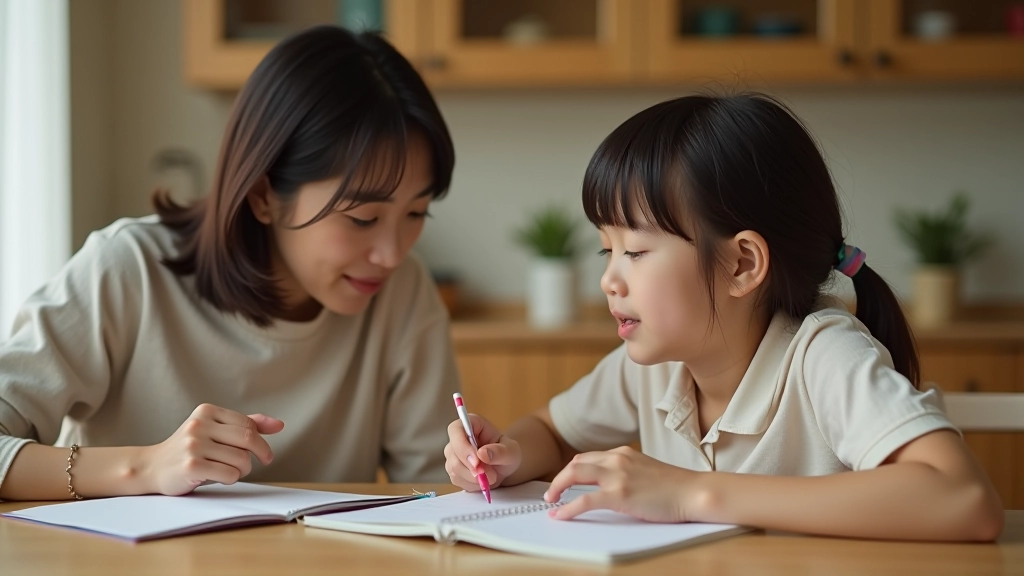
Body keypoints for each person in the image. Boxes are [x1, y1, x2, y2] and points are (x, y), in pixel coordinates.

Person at [444, 93, 1003, 541]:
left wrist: (692, 493)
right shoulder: (653, 366)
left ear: (741, 264)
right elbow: (551, 429)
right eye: (605, 251)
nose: (608, 280)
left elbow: (964, 500)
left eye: (635, 252)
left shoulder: (823, 354)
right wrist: (506, 455)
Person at [0, 25, 459, 501]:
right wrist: (146, 468)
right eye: (363, 218)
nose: (392, 253)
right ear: (263, 195)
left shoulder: (403, 291)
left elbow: (436, 492)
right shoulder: (127, 269)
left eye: (416, 213)